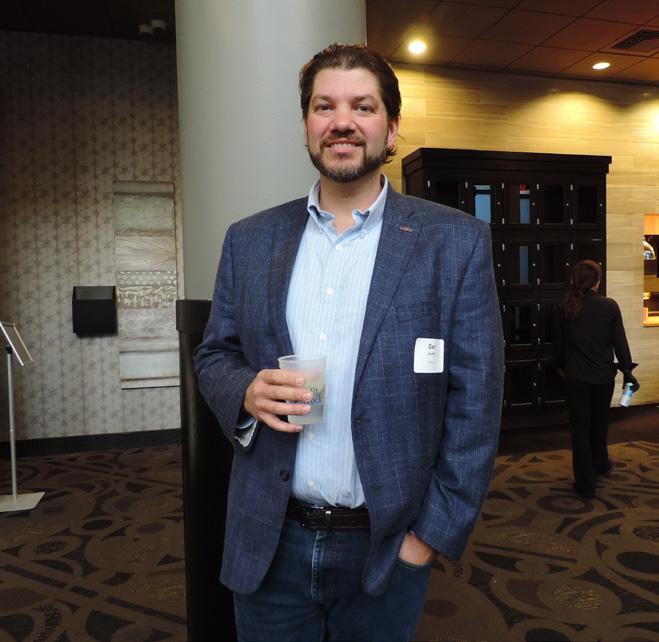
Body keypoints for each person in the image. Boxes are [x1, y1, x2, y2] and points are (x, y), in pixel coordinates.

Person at [194, 43, 504, 642]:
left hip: (387, 546)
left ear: (392, 127)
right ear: (307, 124)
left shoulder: (454, 243)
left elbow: (477, 402)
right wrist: (246, 390)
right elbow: (214, 354)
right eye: (324, 106)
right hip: (269, 538)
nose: (342, 122)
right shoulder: (249, 240)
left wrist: (427, 537)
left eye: (363, 106)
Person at [554, 259, 639, 498]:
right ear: (597, 282)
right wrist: (627, 369)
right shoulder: (609, 306)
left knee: (579, 430)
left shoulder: (564, 307)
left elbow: (559, 347)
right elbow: (620, 343)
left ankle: (585, 483)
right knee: (600, 423)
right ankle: (600, 464)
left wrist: (562, 370)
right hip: (603, 377)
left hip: (576, 378)